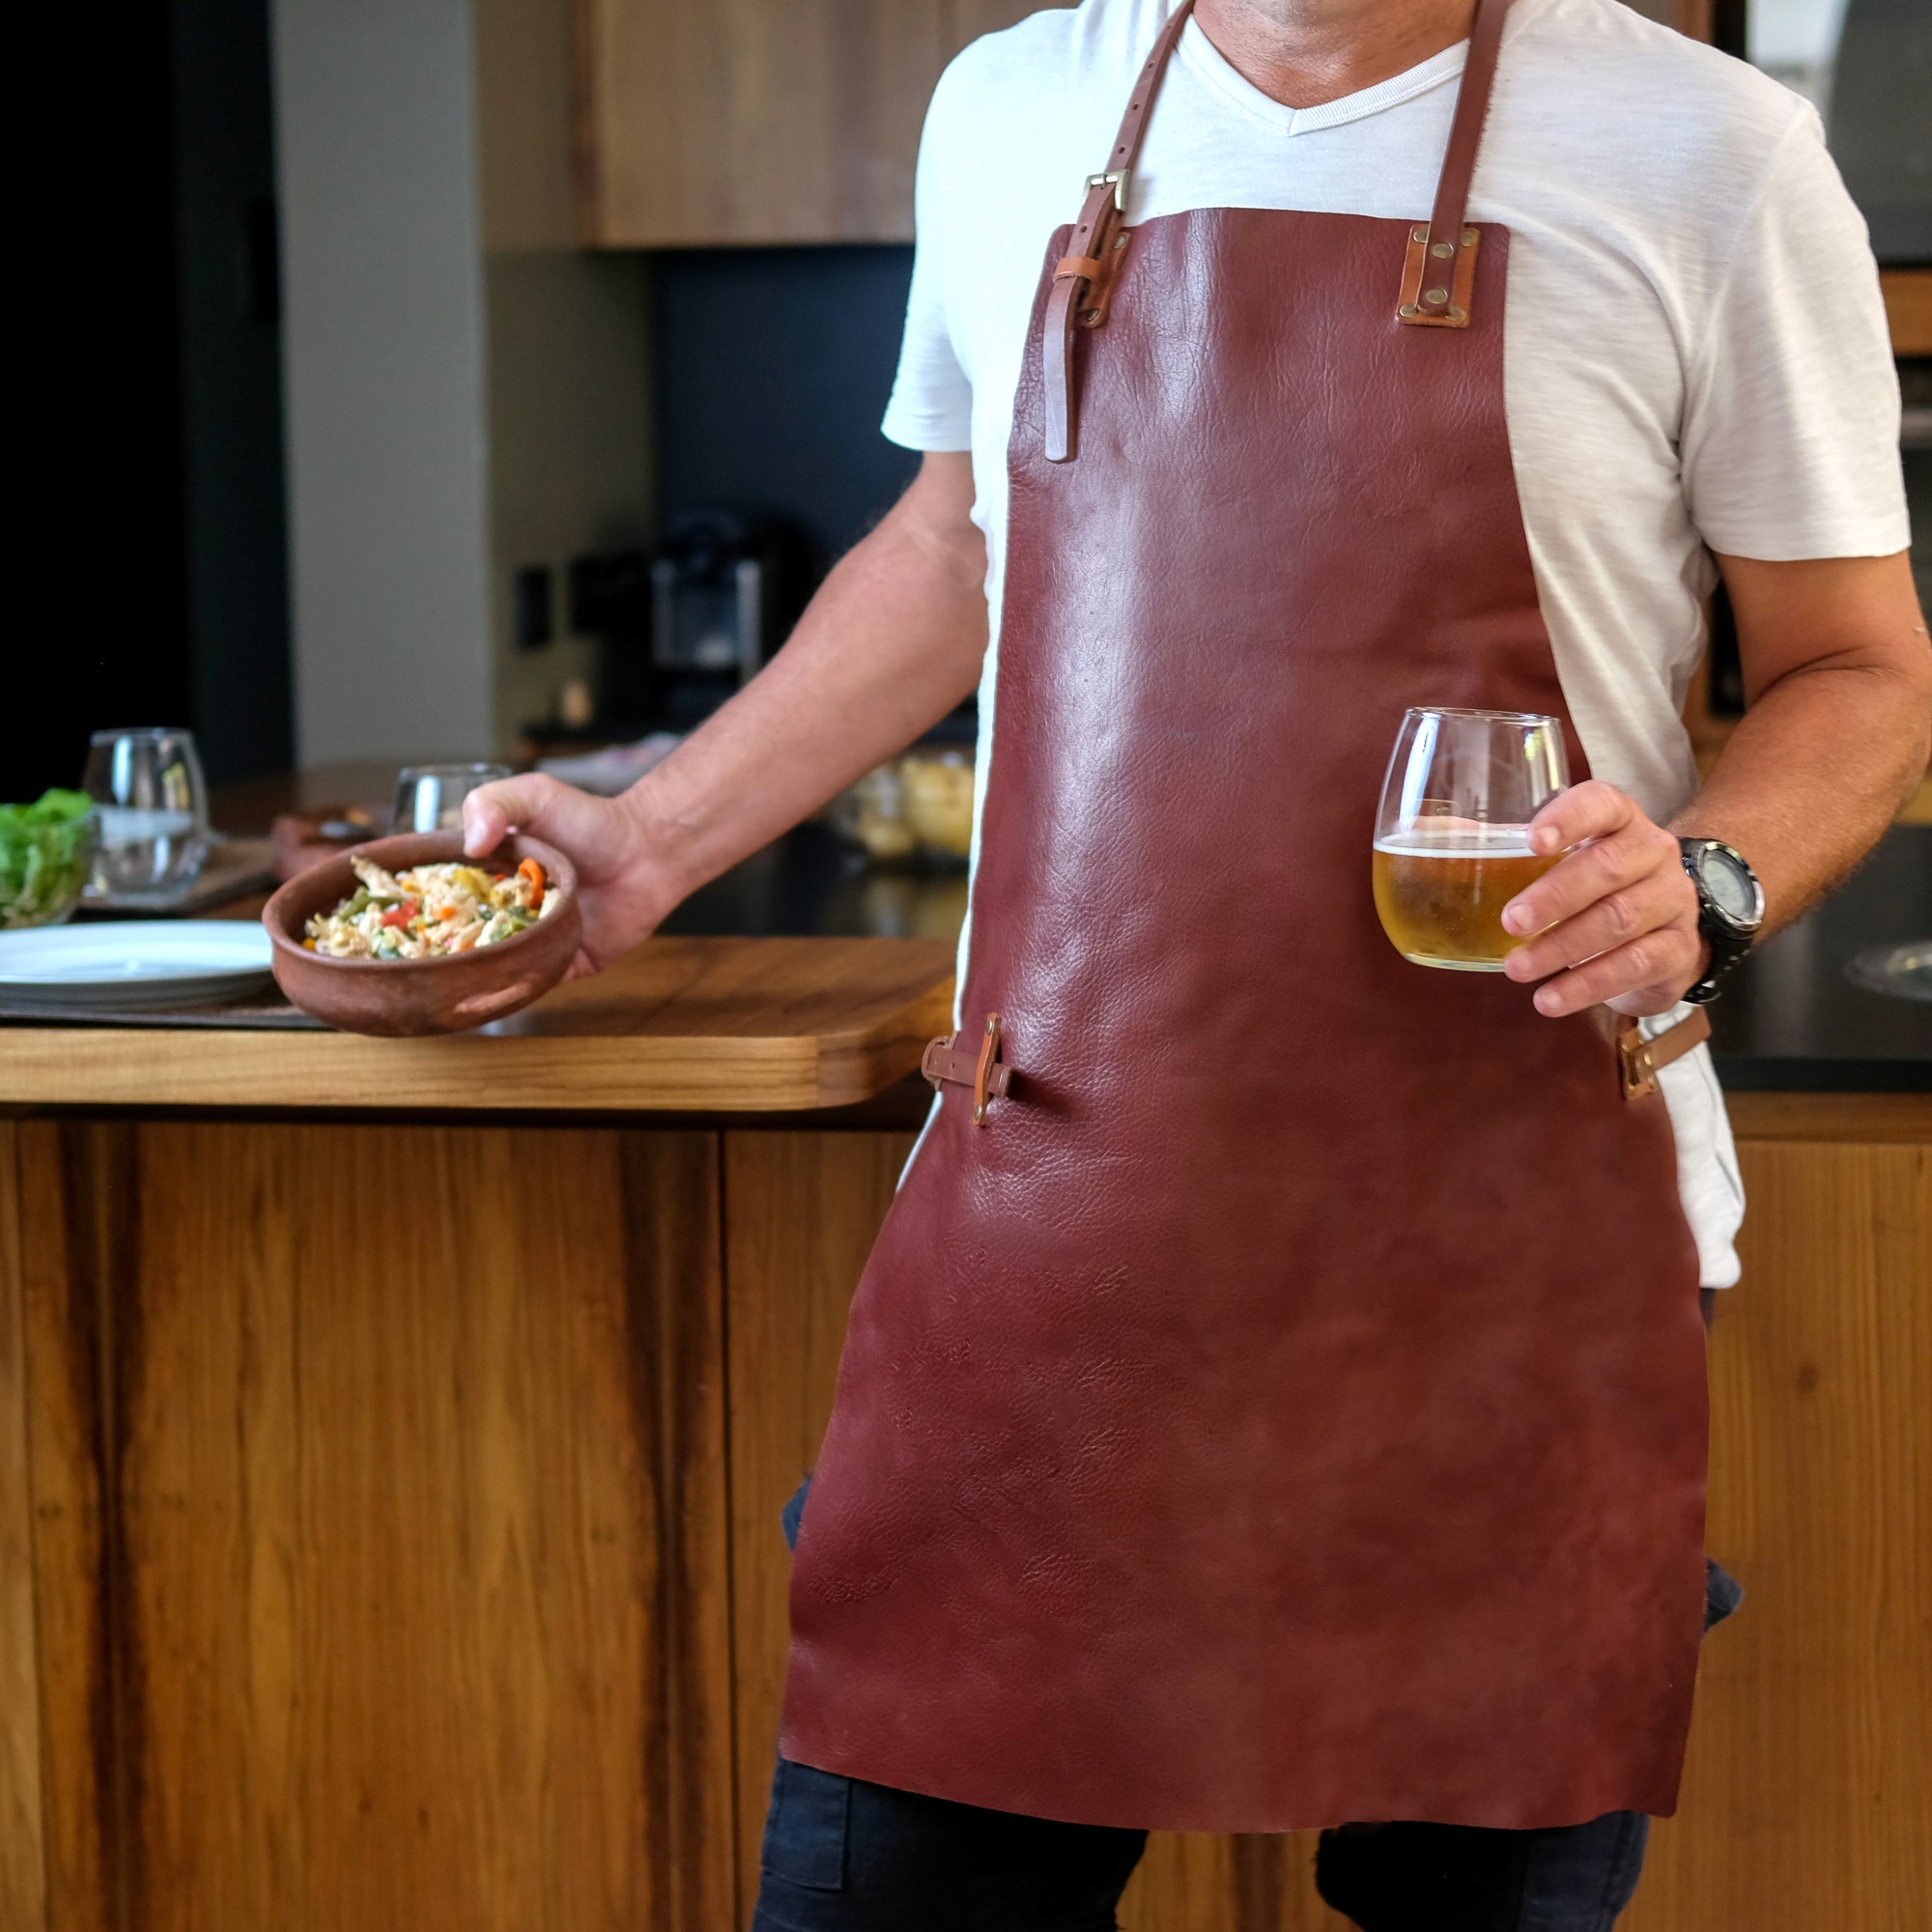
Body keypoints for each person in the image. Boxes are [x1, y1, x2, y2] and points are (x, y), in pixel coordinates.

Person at [466, 2, 1929, 1924]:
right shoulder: (1009, 110)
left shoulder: (1706, 151)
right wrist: (651, 837)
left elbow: (1855, 668)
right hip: (1054, 1237)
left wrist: (1707, 882)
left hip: (1507, 1266)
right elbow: (954, 539)